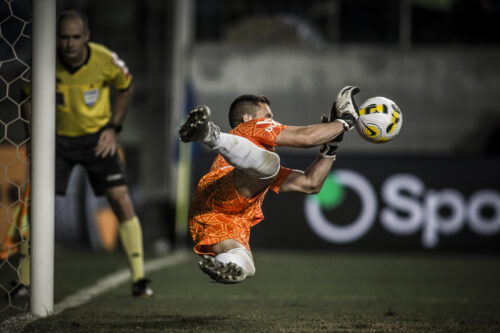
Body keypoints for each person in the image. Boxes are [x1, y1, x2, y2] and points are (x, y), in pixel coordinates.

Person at [19, 10, 152, 297]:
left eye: (75, 37)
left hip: (97, 140)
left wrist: (114, 128)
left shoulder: (105, 59)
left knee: (120, 198)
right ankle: (26, 280)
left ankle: (140, 277)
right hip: (56, 141)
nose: (69, 44)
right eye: (64, 37)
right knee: (39, 205)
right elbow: (26, 98)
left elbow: (126, 87)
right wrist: (33, 138)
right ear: (57, 38)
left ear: (86, 38)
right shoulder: (43, 62)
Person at [179, 86, 360, 283]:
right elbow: (306, 138)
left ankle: (222, 265)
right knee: (272, 163)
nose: (271, 120)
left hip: (215, 216)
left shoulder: (260, 169)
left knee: (244, 264)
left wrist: (331, 148)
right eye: (268, 115)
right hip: (223, 189)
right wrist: (345, 122)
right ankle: (210, 134)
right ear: (248, 118)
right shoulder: (253, 126)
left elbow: (311, 184)